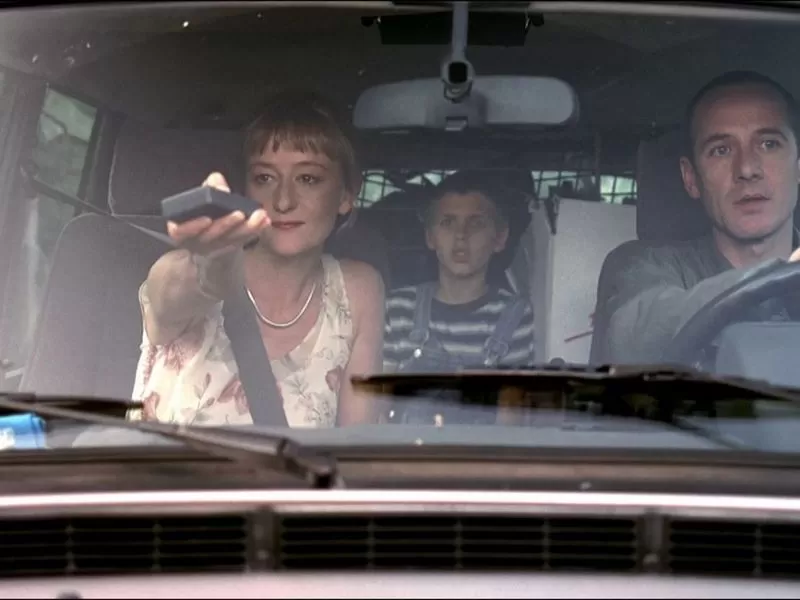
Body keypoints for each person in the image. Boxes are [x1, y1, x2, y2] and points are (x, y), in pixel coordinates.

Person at [129, 89, 385, 428]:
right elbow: (169, 297)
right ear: (246, 189)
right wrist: (211, 265)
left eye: (308, 178)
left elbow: (356, 444)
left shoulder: (357, 291)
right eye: (264, 178)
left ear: (346, 194)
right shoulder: (185, 268)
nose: (283, 201)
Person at [592, 71, 800, 365]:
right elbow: (635, 340)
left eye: (769, 144)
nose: (747, 169)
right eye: (721, 150)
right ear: (691, 178)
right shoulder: (644, 266)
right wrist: (784, 276)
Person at [383, 170, 536, 376]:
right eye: (448, 222)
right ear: (430, 236)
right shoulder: (398, 309)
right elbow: (378, 394)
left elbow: (513, 397)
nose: (461, 235)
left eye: (476, 223)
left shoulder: (516, 316)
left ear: (500, 238)